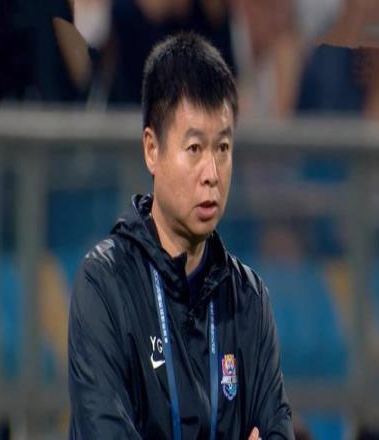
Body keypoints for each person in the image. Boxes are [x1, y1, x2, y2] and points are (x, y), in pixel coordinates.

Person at [68, 32, 294, 439]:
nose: (212, 173)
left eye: (222, 148)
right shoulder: (104, 284)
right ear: (151, 150)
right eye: (194, 149)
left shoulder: (248, 299)